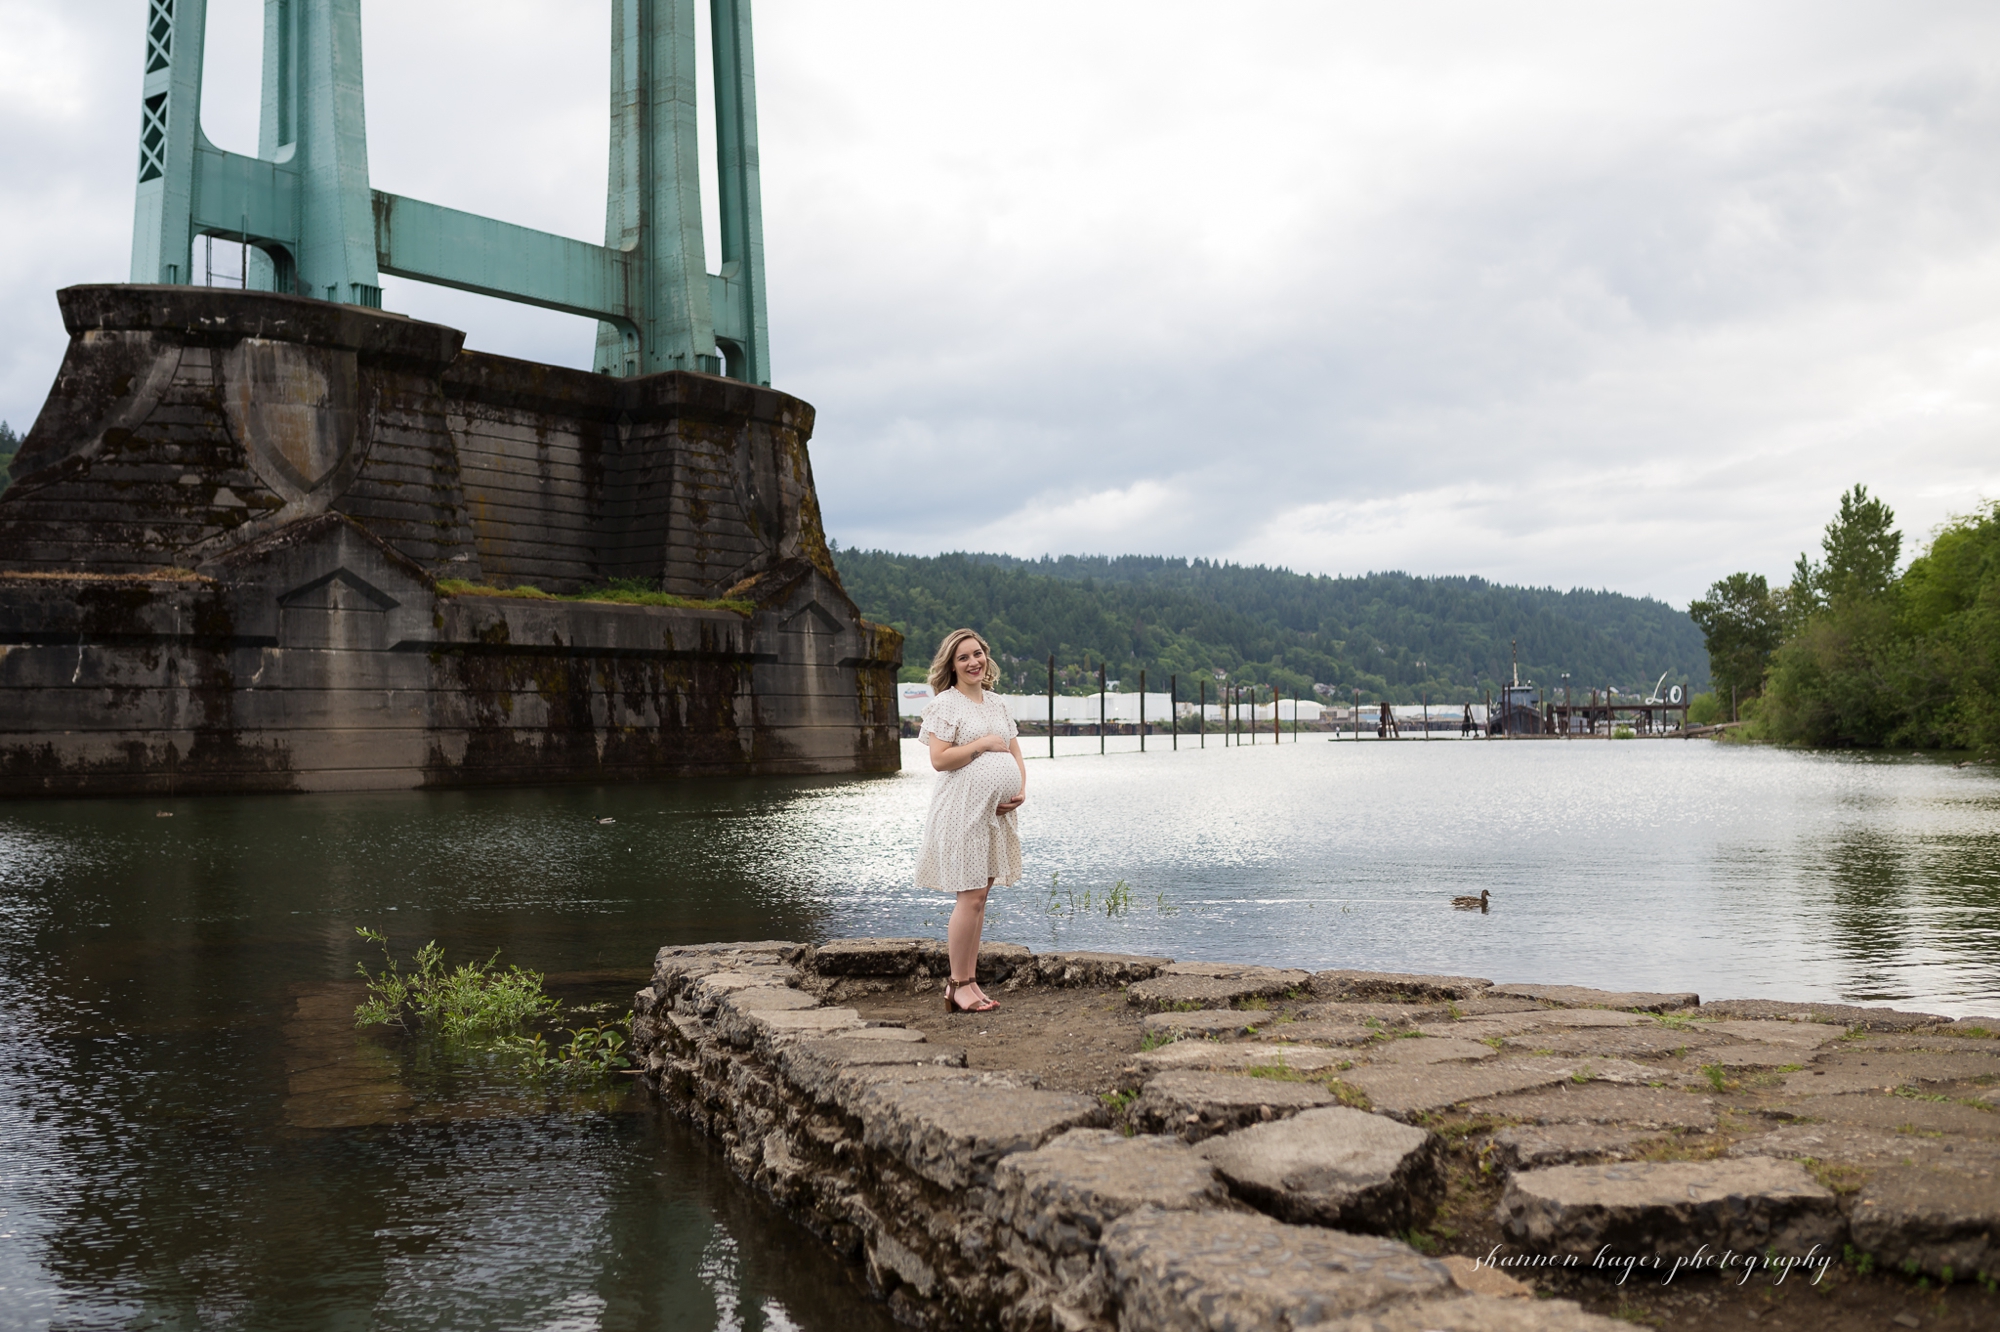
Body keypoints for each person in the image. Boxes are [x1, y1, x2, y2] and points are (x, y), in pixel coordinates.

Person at [913, 628, 1025, 1014]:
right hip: (962, 811)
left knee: (981, 898)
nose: (973, 662)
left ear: (985, 656)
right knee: (970, 896)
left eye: (977, 654)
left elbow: (1014, 750)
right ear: (952, 665)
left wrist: (1020, 789)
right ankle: (957, 984)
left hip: (995, 815)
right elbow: (940, 759)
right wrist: (981, 745)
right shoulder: (946, 704)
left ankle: (970, 981)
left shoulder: (997, 703)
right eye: (963, 657)